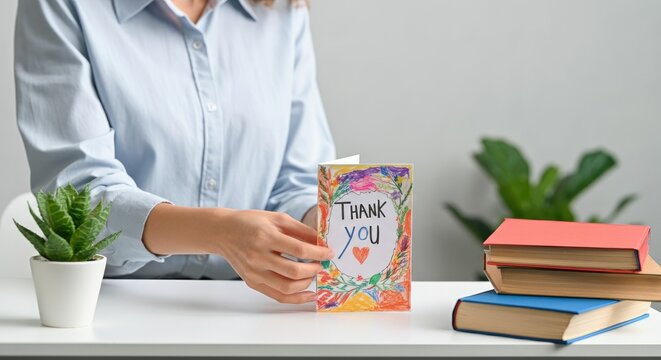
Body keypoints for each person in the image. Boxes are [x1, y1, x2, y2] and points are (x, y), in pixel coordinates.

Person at [14, 0, 336, 304]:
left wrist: (328, 222)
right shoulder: (64, 5)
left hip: (253, 308)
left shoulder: (281, 9)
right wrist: (219, 231)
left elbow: (297, 178)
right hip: (109, 307)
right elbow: (78, 193)